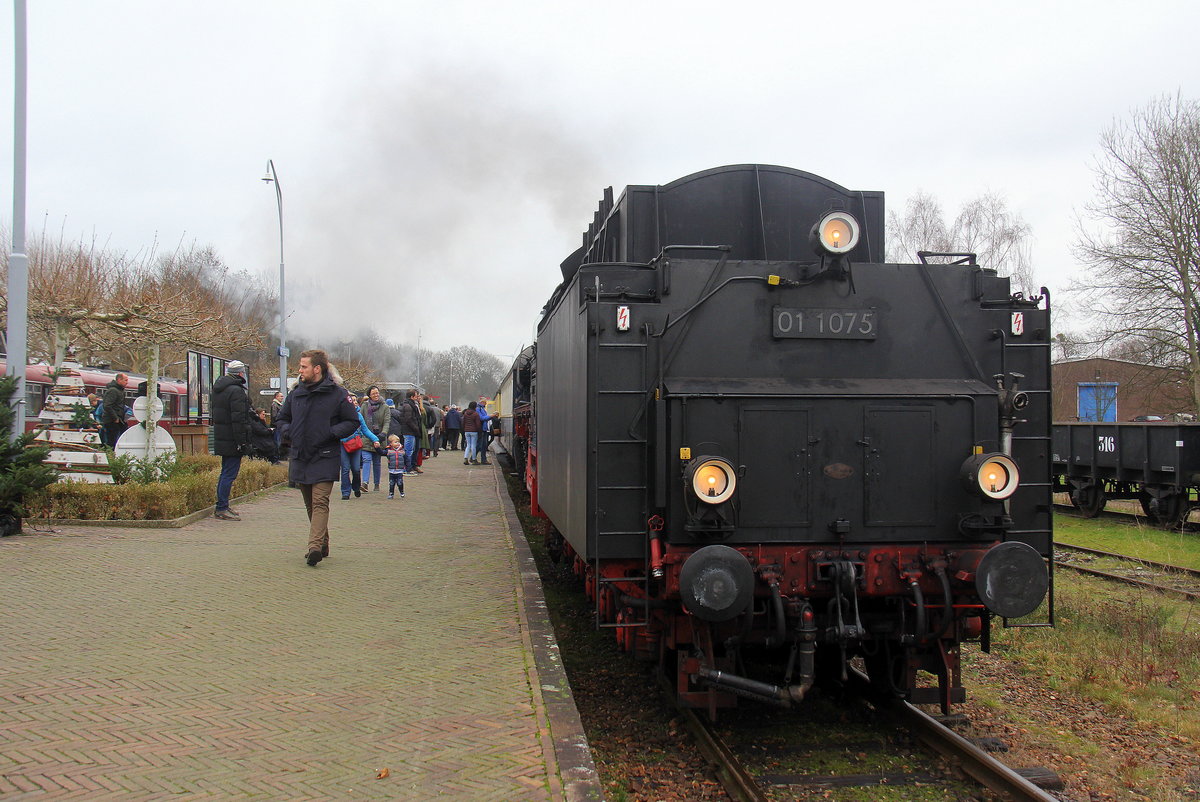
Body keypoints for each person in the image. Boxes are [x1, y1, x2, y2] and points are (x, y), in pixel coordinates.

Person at [274, 349, 360, 567]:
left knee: (320, 501)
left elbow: (352, 422)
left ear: (317, 369)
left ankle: (314, 548)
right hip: (301, 455)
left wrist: (330, 433)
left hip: (325, 455)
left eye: (303, 366)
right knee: (310, 504)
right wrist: (288, 431)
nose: (300, 370)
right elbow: (282, 418)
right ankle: (323, 542)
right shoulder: (296, 393)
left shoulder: (338, 394)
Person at [211, 360, 253, 521]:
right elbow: (239, 419)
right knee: (229, 473)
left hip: (223, 437)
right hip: (232, 439)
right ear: (241, 373)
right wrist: (242, 442)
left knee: (225, 472)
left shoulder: (220, 389)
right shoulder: (236, 391)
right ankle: (221, 507)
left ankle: (223, 505)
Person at [340, 394, 380, 500]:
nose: (353, 402)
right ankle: (345, 492)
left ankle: (356, 487)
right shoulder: (340, 415)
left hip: (356, 445)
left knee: (356, 469)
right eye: (351, 400)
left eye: (355, 401)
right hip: (343, 445)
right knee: (345, 469)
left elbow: (365, 430)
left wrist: (375, 439)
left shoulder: (359, 416)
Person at [360, 386, 391, 492]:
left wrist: (383, 433)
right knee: (366, 459)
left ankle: (376, 483)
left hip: (380, 438)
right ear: (369, 395)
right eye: (373, 393)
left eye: (377, 393)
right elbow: (361, 421)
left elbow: (387, 422)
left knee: (377, 462)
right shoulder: (364, 406)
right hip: (367, 438)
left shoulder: (385, 407)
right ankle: (365, 483)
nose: (376, 395)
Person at [398, 389, 424, 476]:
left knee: (411, 450)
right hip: (409, 432)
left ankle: (411, 467)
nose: (418, 398)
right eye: (416, 396)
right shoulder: (408, 406)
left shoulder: (411, 405)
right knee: (408, 451)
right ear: (412, 397)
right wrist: (416, 428)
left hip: (411, 432)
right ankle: (407, 469)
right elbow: (408, 420)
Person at [100, 372, 129, 448]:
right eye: (125, 380)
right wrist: (115, 417)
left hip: (119, 419)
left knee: (122, 436)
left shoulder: (120, 391)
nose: (127, 382)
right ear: (119, 380)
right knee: (112, 441)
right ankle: (110, 455)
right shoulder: (113, 391)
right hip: (111, 420)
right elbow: (107, 405)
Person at [385, 434, 406, 499]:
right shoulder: (389, 451)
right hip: (392, 470)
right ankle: (391, 493)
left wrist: (408, 467)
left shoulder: (402, 451)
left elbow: (407, 459)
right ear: (391, 443)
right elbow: (381, 452)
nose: (397, 443)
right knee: (391, 483)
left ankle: (401, 492)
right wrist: (377, 448)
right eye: (395, 442)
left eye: (398, 442)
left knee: (400, 482)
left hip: (399, 470)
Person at [462, 401, 481, 465]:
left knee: (468, 445)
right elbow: (478, 424)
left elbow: (463, 422)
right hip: (474, 431)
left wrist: (464, 429)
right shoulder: (476, 414)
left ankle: (465, 458)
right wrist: (479, 431)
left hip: (466, 431)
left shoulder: (465, 413)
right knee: (473, 446)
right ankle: (474, 459)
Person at [476, 399, 492, 465]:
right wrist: (490, 416)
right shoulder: (478, 409)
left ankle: (484, 459)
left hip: (484, 428)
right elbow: (482, 418)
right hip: (481, 428)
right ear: (482, 402)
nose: (485, 404)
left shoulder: (482, 409)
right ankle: (473, 457)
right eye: (485, 403)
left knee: (484, 445)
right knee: (480, 445)